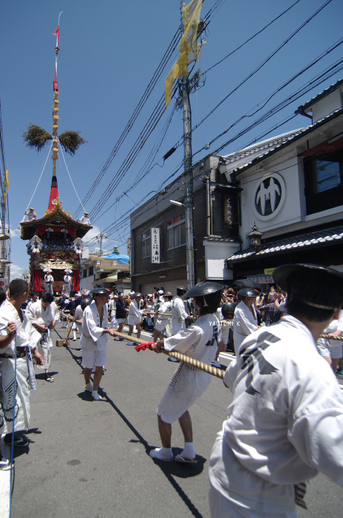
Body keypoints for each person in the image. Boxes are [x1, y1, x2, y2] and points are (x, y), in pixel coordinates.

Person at [209, 263, 343, 517]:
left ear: (287, 302)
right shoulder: (313, 368)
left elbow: (230, 378)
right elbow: (334, 450)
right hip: (258, 494)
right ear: (336, 313)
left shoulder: (257, 338)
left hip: (224, 466)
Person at [150, 281, 223, 462]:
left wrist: (159, 344)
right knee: (182, 408)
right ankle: (189, 449)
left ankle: (166, 452)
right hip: (204, 374)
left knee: (162, 413)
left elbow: (175, 343)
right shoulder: (214, 321)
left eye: (196, 300)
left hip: (190, 375)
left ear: (200, 303)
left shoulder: (198, 327)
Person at [0, 279, 44, 463]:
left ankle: (12, 434)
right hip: (9, 363)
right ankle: (7, 437)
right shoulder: (4, 312)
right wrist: (11, 335)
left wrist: (35, 351)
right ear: (24, 294)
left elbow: (26, 332)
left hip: (21, 361)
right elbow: (1, 342)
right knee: (11, 401)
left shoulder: (20, 312)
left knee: (20, 399)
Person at [80, 287, 115, 400]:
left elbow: (104, 323)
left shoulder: (104, 307)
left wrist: (108, 329)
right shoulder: (88, 310)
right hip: (89, 341)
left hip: (101, 340)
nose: (108, 297)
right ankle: (87, 382)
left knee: (100, 367)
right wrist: (106, 330)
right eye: (106, 296)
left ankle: (95, 391)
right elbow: (93, 329)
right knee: (89, 367)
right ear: (98, 298)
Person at [26, 292, 58, 382]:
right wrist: (39, 326)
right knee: (33, 351)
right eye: (45, 303)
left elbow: (56, 314)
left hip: (46, 331)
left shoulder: (53, 305)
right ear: (42, 300)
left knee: (46, 351)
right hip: (35, 330)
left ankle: (47, 372)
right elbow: (29, 318)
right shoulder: (34, 306)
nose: (47, 305)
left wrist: (54, 322)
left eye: (48, 304)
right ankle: (31, 374)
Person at [233, 288, 258, 354]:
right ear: (248, 298)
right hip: (242, 338)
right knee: (242, 359)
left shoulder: (251, 306)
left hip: (251, 335)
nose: (255, 299)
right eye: (254, 297)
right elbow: (247, 326)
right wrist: (259, 330)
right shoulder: (240, 310)